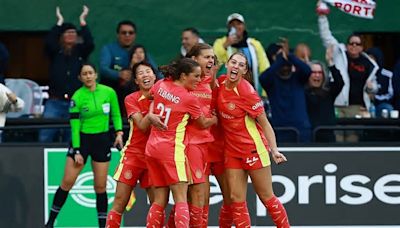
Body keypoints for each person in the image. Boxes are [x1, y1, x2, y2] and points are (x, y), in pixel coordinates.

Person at [45, 63, 123, 228]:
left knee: (100, 186)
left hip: (102, 141)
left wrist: (119, 133)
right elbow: (74, 126)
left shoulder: (109, 92)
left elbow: (116, 114)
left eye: (90, 73)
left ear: (96, 75)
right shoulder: (77, 96)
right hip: (82, 140)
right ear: (80, 78)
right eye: (84, 74)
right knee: (67, 182)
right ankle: (50, 222)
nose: (88, 76)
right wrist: (77, 150)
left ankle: (102, 225)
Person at [216, 52, 289, 228]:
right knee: (236, 199)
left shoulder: (247, 92)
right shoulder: (219, 83)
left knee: (266, 196)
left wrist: (274, 150)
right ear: (227, 64)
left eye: (241, 65)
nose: (236, 66)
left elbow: (265, 124)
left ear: (245, 71)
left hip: (253, 149)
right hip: (232, 152)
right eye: (233, 62)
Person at [145, 58, 217, 228]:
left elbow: (150, 96)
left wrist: (151, 114)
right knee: (181, 200)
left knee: (159, 200)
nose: (199, 80)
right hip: (171, 150)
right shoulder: (189, 98)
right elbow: (202, 123)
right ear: (184, 76)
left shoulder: (161, 84)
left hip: (152, 148)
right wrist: (215, 118)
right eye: (196, 76)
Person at [106, 61, 164, 228]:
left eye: (148, 71)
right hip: (134, 155)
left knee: (156, 205)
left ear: (155, 76)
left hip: (154, 157)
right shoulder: (131, 99)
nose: (145, 75)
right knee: (119, 202)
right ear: (136, 81)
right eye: (140, 73)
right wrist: (153, 107)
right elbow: (143, 125)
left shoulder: (166, 97)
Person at [39, 5, 94, 142]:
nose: (71, 35)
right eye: (67, 33)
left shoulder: (80, 51)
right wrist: (59, 22)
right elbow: (48, 42)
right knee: (45, 135)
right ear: (62, 36)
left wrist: (83, 21)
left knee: (73, 137)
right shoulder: (55, 52)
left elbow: (90, 43)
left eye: (73, 33)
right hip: (55, 101)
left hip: (75, 102)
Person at [317, 2, 379, 119]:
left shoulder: (369, 64)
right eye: (351, 43)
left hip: (357, 107)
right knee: (337, 136)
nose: (354, 46)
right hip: (338, 105)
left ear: (362, 47)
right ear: (347, 45)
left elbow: (374, 88)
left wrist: (371, 87)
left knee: (353, 137)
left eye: (357, 44)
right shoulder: (339, 53)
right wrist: (322, 16)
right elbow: (326, 36)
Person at [259, 37, 312, 142]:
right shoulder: (271, 82)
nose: (285, 66)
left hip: (301, 130)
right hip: (280, 130)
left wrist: (290, 56)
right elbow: (262, 78)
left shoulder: (298, 78)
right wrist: (280, 59)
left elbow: (307, 70)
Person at [213, 13, 270, 96]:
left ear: (244, 26)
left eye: (238, 24)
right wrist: (225, 46)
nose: (236, 27)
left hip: (252, 92)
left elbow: (264, 68)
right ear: (228, 28)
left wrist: (264, 93)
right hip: (228, 94)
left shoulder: (254, 44)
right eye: (232, 25)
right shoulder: (220, 43)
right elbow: (215, 65)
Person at [99, 20, 159, 92]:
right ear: (118, 35)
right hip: (111, 90)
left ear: (135, 35)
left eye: (131, 33)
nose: (127, 35)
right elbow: (103, 69)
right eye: (124, 33)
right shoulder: (108, 49)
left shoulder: (139, 51)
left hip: (134, 91)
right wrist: (119, 74)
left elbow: (156, 71)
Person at [305, 46, 344, 142]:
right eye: (313, 72)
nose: (317, 75)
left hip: (328, 135)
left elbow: (340, 82)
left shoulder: (329, 91)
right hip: (310, 136)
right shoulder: (303, 92)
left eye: (320, 72)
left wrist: (330, 62)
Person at [365, 47, 395, 117]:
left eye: (372, 58)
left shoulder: (387, 75)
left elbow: (390, 94)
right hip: (365, 104)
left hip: (382, 104)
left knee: (388, 109)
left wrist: (375, 97)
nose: (370, 60)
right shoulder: (362, 72)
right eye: (368, 58)